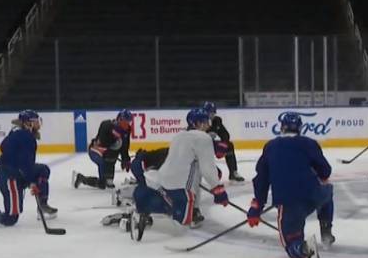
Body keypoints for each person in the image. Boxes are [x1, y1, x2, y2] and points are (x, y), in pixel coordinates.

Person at [247, 112, 335, 258]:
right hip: (314, 195)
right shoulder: (309, 143)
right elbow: (325, 171)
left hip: (288, 202)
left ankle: (304, 247)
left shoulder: (270, 147)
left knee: (292, 246)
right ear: (300, 128)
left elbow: (262, 179)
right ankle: (326, 229)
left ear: (281, 127)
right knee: (328, 191)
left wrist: (257, 206)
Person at [127, 108, 227, 240]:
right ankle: (155, 214)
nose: (208, 125)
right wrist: (217, 188)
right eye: (206, 121)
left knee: (174, 210)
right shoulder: (204, 138)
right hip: (181, 189)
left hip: (162, 182)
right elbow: (207, 168)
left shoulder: (179, 135)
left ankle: (146, 209)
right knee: (183, 229)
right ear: (198, 123)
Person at [74, 109, 133, 189]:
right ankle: (83, 178)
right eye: (125, 122)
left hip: (108, 153)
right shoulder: (107, 125)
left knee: (105, 183)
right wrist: (114, 142)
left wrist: (125, 159)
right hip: (96, 150)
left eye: (129, 122)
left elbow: (124, 147)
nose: (127, 125)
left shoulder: (127, 130)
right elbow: (104, 142)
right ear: (120, 120)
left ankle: (105, 179)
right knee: (103, 182)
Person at [204, 101, 244, 183]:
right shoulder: (199, 121)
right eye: (209, 112)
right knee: (216, 174)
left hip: (210, 145)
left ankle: (233, 172)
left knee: (229, 145)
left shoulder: (216, 121)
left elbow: (225, 135)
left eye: (213, 112)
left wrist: (224, 144)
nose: (211, 115)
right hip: (200, 147)